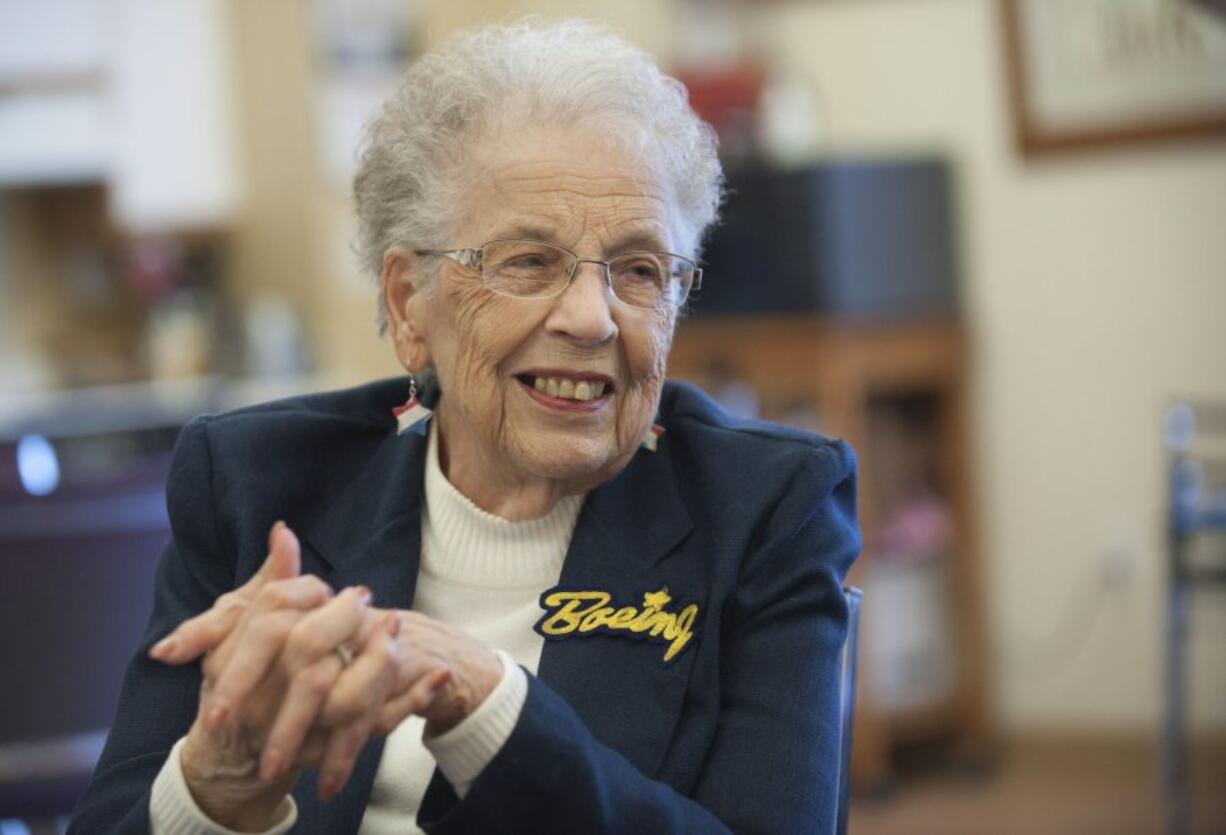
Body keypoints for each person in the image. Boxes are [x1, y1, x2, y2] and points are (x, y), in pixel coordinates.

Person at [70, 19, 860, 835]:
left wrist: (488, 704)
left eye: (639, 270)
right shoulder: (256, 484)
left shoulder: (764, 507)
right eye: (528, 262)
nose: (593, 317)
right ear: (412, 305)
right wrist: (214, 789)